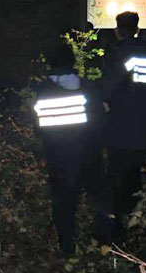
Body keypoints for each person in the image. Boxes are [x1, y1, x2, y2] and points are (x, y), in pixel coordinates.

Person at [97, 11, 146, 242]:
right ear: (137, 29)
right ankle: (143, 232)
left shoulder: (120, 56)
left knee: (118, 183)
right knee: (140, 181)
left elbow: (107, 90)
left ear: (118, 30)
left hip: (123, 130)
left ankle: (118, 236)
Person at [33, 42, 105, 255]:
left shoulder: (43, 92)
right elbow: (100, 121)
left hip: (58, 159)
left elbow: (38, 129)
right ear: (72, 62)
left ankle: (67, 249)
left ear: (50, 64)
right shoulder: (88, 88)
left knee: (63, 204)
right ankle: (104, 244)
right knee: (99, 199)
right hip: (89, 156)